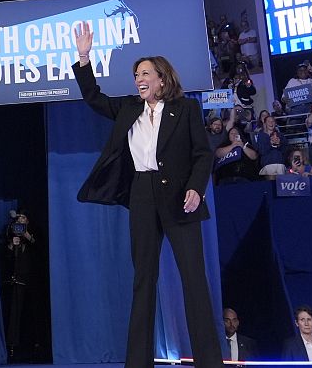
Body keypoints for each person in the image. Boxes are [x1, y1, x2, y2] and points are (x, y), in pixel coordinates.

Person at [71, 22, 222, 368]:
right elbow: (94, 98)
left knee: (194, 281)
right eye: (136, 74)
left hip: (180, 197)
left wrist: (196, 189)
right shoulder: (128, 108)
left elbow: (203, 154)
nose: (138, 78)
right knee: (143, 280)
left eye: (145, 73)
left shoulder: (185, 109)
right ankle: (138, 363)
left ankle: (210, 362)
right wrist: (84, 57)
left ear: (162, 80)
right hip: (141, 193)